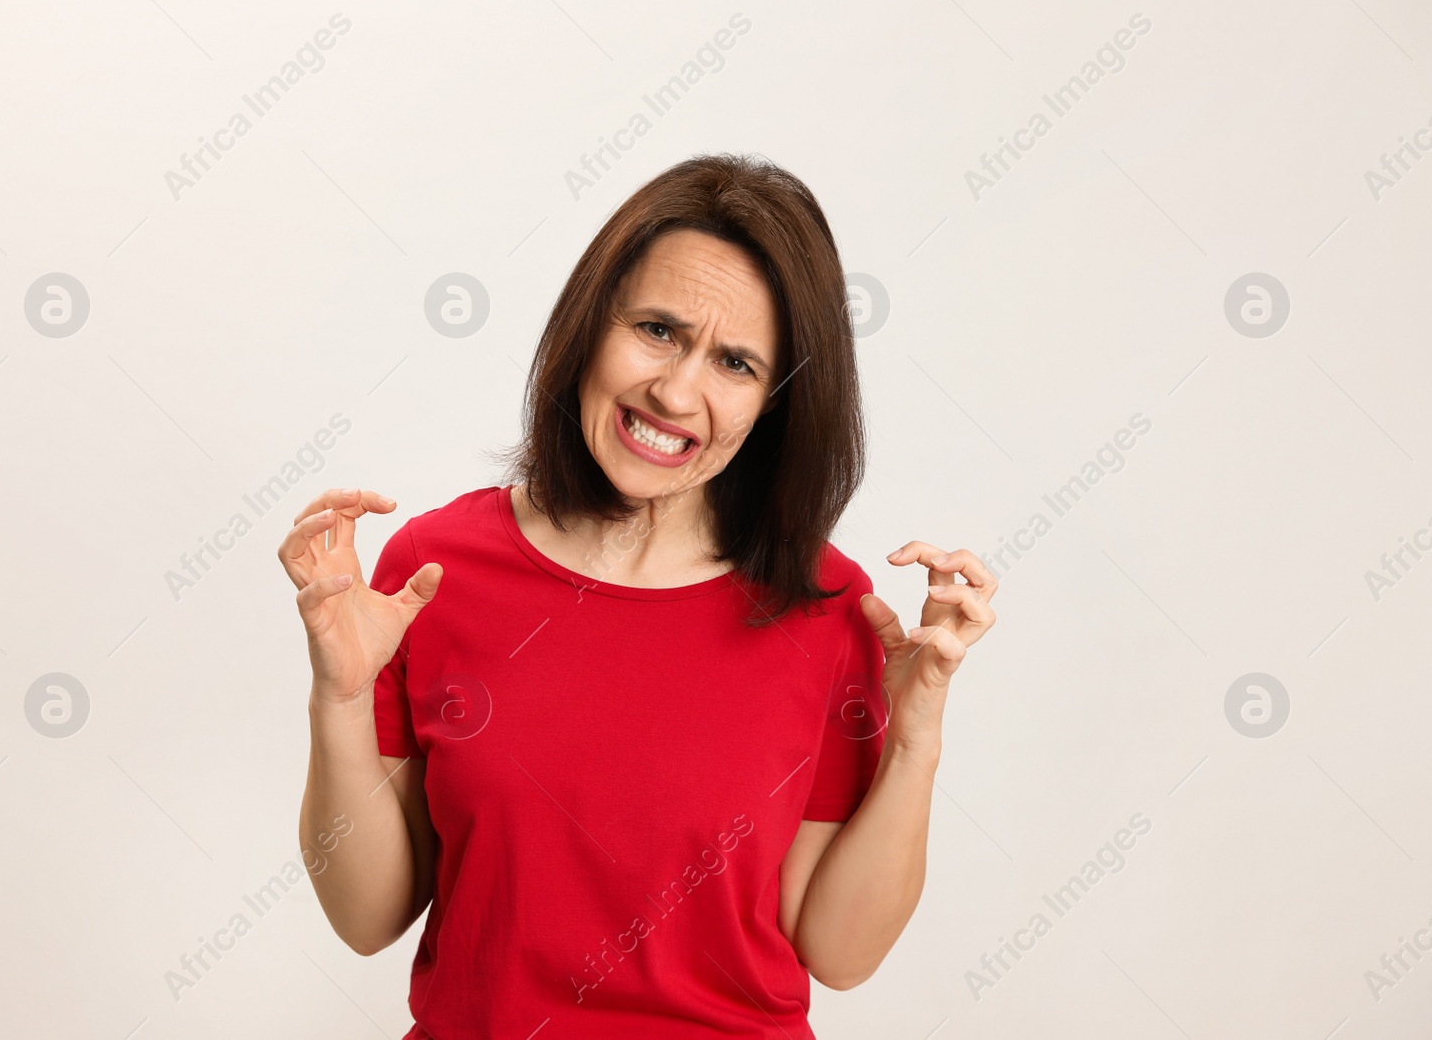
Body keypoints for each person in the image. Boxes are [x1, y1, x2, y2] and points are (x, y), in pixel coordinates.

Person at [280, 153, 997, 1038]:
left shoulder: (825, 605)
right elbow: (367, 918)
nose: (677, 389)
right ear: (591, 327)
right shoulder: (436, 570)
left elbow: (841, 953)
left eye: (735, 361)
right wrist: (341, 698)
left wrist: (917, 728)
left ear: (775, 402)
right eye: (658, 329)